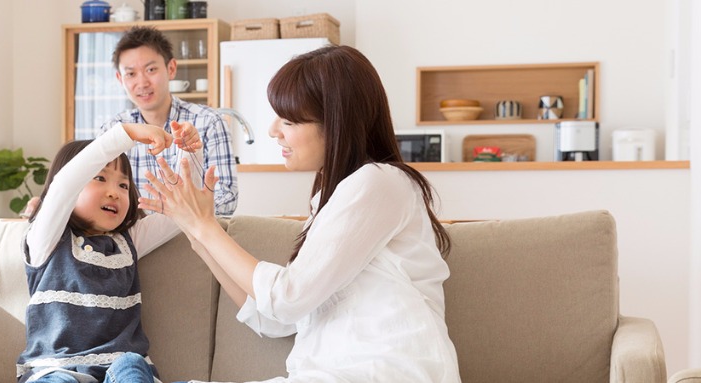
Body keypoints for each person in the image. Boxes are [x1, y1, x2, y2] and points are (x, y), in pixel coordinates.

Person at [140, 45, 462, 382]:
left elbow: (285, 298)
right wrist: (196, 234)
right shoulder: (333, 198)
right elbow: (278, 319)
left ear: (336, 124)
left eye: (289, 120)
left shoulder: (379, 183)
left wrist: (206, 227)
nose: (273, 130)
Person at [17, 121, 202, 383]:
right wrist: (126, 134)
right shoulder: (46, 238)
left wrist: (190, 153)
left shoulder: (129, 242)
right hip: (55, 369)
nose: (114, 192)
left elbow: (182, 211)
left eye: (123, 186)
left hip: (120, 368)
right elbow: (64, 185)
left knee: (131, 363)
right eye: (100, 178)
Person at [99, 26, 237, 216]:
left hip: (189, 236)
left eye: (151, 69)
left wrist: (175, 215)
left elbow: (227, 198)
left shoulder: (209, 122)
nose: (142, 83)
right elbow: (98, 194)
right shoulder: (113, 129)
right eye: (131, 74)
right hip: (133, 238)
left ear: (171, 69)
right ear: (120, 79)